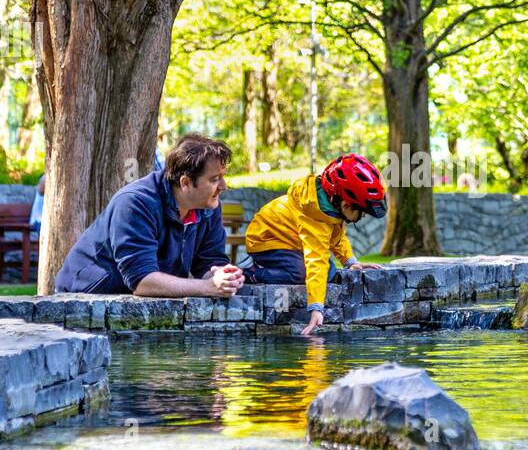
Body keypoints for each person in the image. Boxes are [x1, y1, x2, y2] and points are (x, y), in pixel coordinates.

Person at [55, 134, 245, 298]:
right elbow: (142, 281)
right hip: (83, 299)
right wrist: (207, 287)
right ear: (185, 183)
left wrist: (221, 275)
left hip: (135, 301)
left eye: (223, 176)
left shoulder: (207, 205)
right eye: (214, 179)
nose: (224, 186)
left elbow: (208, 261)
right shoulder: (134, 203)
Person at [243, 153, 386, 336]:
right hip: (267, 241)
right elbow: (315, 261)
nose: (363, 216)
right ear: (345, 205)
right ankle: (252, 273)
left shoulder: (328, 210)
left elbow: (336, 237)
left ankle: (273, 269)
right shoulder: (314, 218)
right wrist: (316, 308)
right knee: (299, 273)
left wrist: (350, 261)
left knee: (330, 273)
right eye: (363, 213)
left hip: (291, 243)